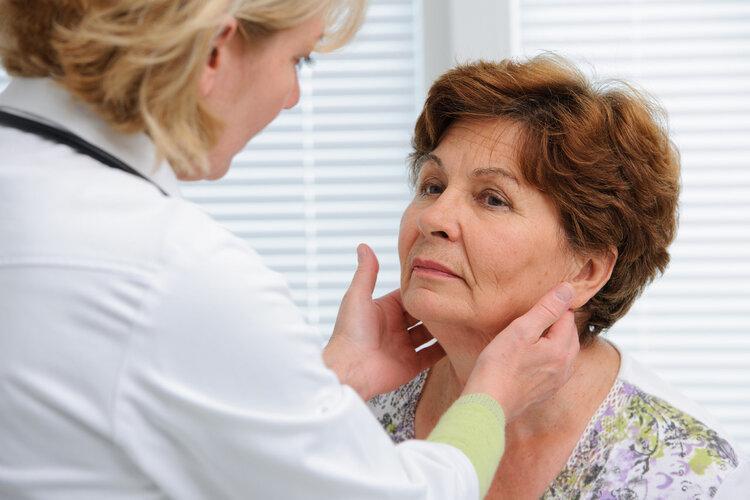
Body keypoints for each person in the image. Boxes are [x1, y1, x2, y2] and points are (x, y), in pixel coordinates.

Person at [0, 1, 581, 499]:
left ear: (589, 267)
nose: (292, 97)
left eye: (493, 199)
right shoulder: (172, 274)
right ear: (215, 50)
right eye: (297, 60)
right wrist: (489, 401)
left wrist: (339, 376)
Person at [368, 56, 748, 498]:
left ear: (586, 271)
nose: (433, 217)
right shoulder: (353, 406)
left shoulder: (692, 471)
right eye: (432, 186)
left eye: (492, 199)